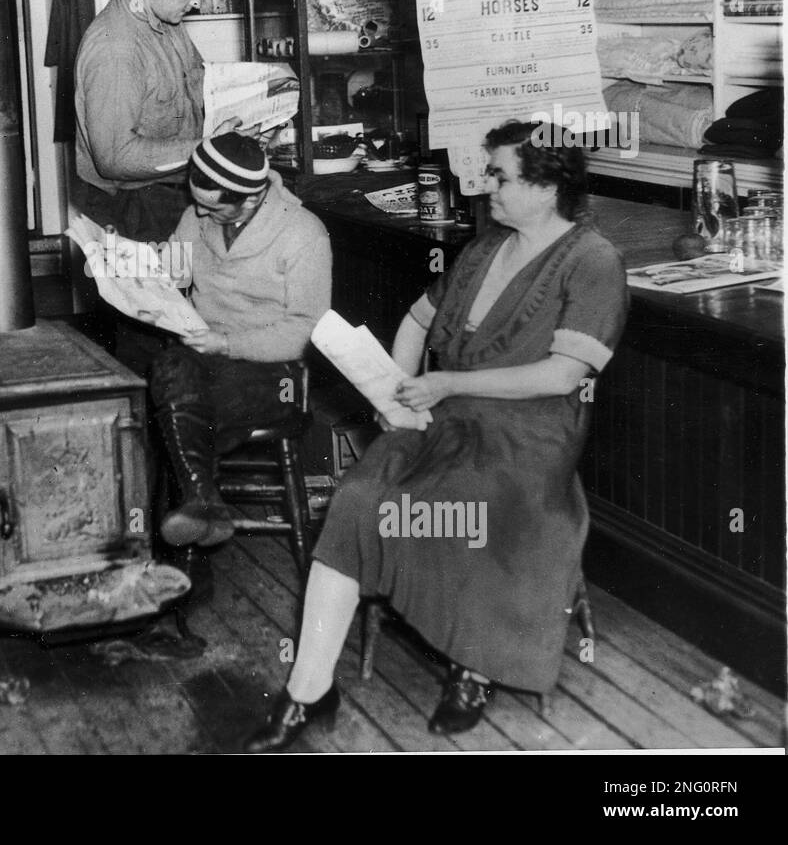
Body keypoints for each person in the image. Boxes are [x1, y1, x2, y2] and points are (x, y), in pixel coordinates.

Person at [243, 121, 629, 752]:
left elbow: (564, 375)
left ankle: (474, 668)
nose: (487, 186)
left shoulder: (593, 261)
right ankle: (307, 692)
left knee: (465, 503)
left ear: (547, 183)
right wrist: (394, 391)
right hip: (442, 415)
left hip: (530, 434)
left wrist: (445, 384)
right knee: (360, 499)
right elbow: (419, 320)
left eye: (500, 175)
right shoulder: (484, 248)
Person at [150, 133, 331, 548]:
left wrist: (227, 343)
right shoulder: (198, 218)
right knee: (169, 368)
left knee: (182, 408)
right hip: (203, 358)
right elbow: (171, 276)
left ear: (249, 200)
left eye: (211, 206)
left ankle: (197, 517)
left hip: (273, 372)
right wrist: (129, 271)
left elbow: (305, 330)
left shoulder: (303, 234)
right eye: (195, 200)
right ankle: (203, 502)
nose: (197, 211)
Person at [73, 0, 241, 245]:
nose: (195, 2)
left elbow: (195, 85)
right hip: (133, 208)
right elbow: (114, 159)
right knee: (159, 294)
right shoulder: (115, 50)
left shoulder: (164, 15)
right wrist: (207, 148)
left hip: (169, 194)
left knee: (184, 290)